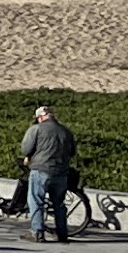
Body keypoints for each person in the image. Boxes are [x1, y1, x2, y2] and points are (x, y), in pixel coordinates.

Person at [21, 102, 78, 244]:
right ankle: (62, 233)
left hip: (41, 170)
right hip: (61, 173)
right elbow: (72, 152)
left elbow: (26, 149)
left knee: (36, 201)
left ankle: (37, 233)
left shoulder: (36, 129)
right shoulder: (66, 131)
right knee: (59, 204)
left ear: (40, 118)